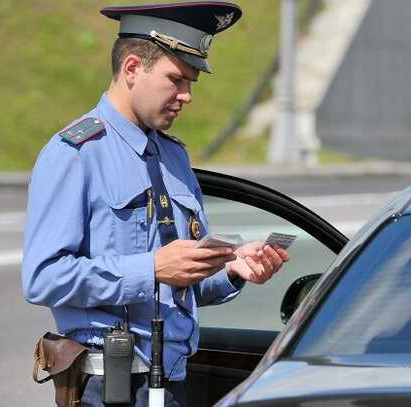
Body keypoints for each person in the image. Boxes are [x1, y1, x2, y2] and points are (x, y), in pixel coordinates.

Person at [21, 2, 290, 406]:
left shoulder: (174, 157)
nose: (186, 96)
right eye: (176, 80)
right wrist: (151, 269)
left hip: (172, 381)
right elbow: (42, 277)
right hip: (108, 387)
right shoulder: (75, 153)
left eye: (192, 83)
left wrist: (231, 269)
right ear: (132, 69)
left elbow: (179, 287)